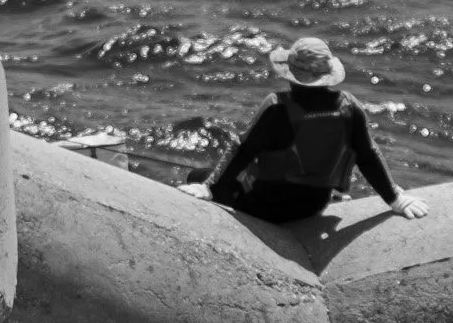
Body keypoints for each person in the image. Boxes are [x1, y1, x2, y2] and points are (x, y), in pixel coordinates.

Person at [183, 35, 430, 224]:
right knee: (211, 176)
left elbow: (244, 150)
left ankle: (203, 184)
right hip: (313, 205)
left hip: (266, 206)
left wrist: (208, 187)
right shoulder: (349, 107)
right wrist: (394, 199)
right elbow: (368, 156)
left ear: (290, 74)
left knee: (197, 175)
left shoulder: (277, 107)